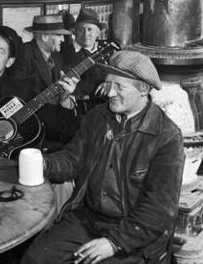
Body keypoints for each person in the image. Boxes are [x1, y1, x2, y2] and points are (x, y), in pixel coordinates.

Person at [20, 51, 185, 264]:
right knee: (34, 259)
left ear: (143, 89)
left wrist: (114, 242)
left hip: (134, 232)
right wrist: (42, 163)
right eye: (109, 85)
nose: (109, 94)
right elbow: (72, 159)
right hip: (87, 219)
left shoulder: (166, 137)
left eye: (120, 87)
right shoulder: (98, 116)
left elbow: (159, 209)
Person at [12, 14, 71, 100]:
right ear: (44, 37)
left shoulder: (57, 56)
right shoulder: (24, 53)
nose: (63, 39)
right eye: (59, 35)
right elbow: (15, 89)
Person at [63, 8, 111, 113]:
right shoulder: (64, 54)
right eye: (81, 29)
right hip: (77, 109)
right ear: (74, 31)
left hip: (107, 106)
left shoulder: (108, 50)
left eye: (90, 29)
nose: (85, 34)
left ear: (98, 32)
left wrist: (111, 82)